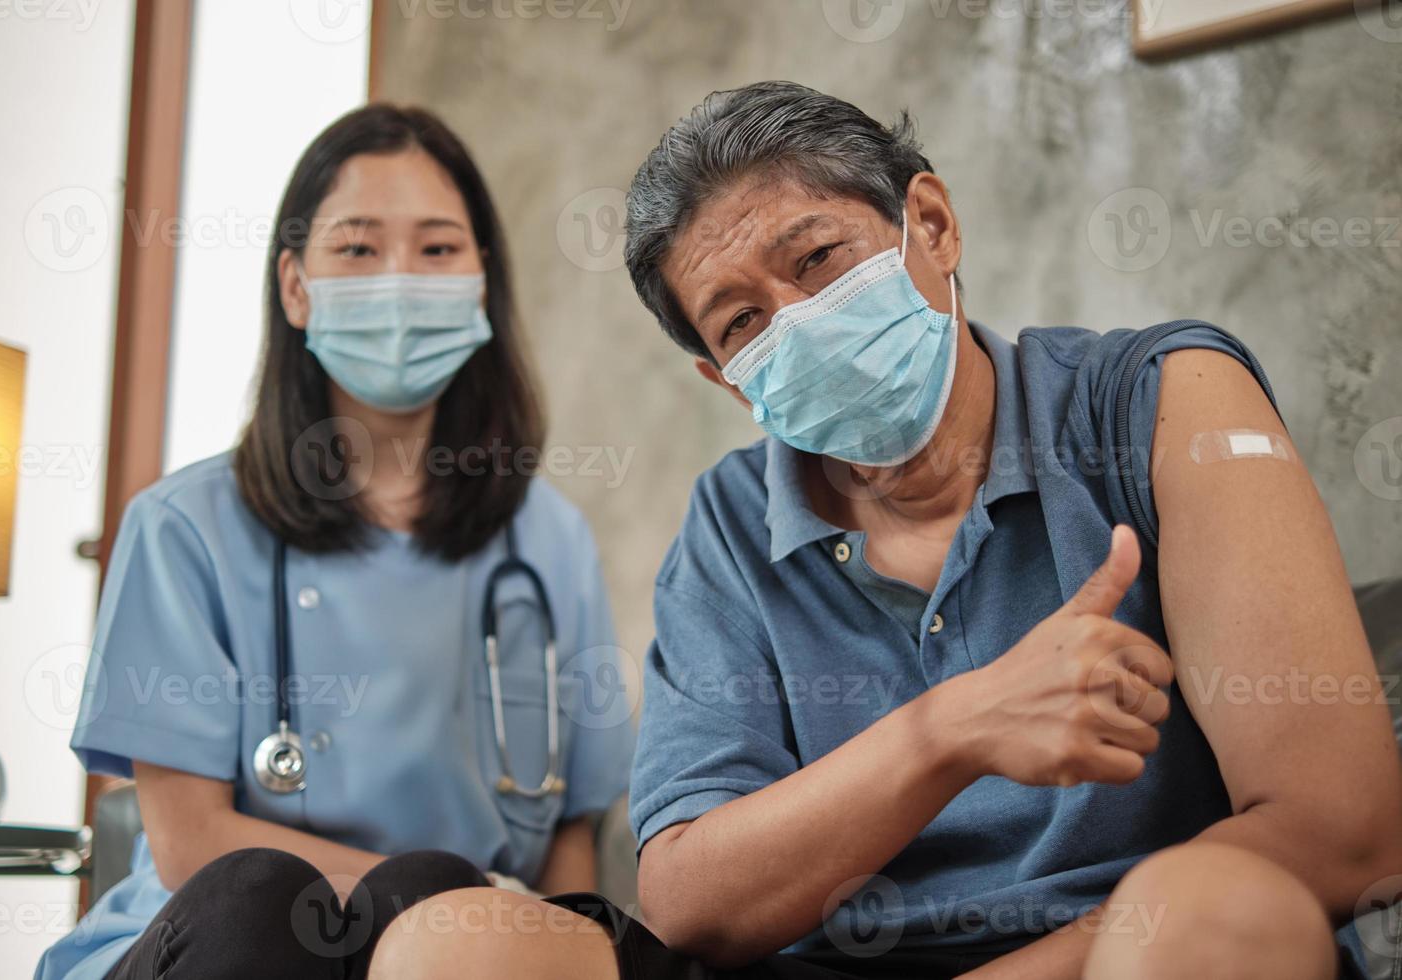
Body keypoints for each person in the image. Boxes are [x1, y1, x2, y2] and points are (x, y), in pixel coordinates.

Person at [361, 82, 1402, 979]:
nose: (796, 321)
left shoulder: (1165, 403)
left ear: (933, 225)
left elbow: (1343, 829)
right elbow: (684, 896)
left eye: (817, 259)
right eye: (742, 321)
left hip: (1112, 948)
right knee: (448, 943)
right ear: (725, 381)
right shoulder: (730, 524)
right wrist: (953, 727)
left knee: (1219, 915)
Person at [35, 103, 633, 980]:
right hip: (219, 942)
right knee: (265, 897)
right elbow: (189, 840)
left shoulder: (548, 542)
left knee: (433, 905)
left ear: (481, 283)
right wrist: (465, 900)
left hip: (448, 953)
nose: (400, 278)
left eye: (436, 250)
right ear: (295, 287)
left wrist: (504, 931)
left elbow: (569, 838)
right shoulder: (183, 527)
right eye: (357, 248)